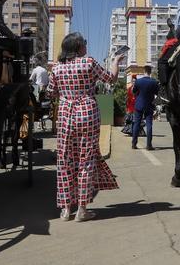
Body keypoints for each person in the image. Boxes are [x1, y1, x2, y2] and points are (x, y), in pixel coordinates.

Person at [47, 32, 122, 222]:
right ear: (78, 47)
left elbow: (50, 93)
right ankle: (82, 209)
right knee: (86, 160)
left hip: (65, 114)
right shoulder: (88, 62)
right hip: (87, 112)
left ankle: (65, 210)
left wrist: (66, 94)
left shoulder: (56, 68)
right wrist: (116, 61)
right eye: (84, 44)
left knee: (64, 159)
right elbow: (110, 79)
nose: (86, 46)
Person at [131, 65, 159, 150]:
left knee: (136, 124)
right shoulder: (154, 82)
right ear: (150, 72)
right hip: (149, 105)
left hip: (139, 105)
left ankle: (134, 144)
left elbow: (134, 92)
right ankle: (149, 145)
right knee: (149, 125)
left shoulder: (138, 81)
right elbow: (157, 94)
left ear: (144, 71)